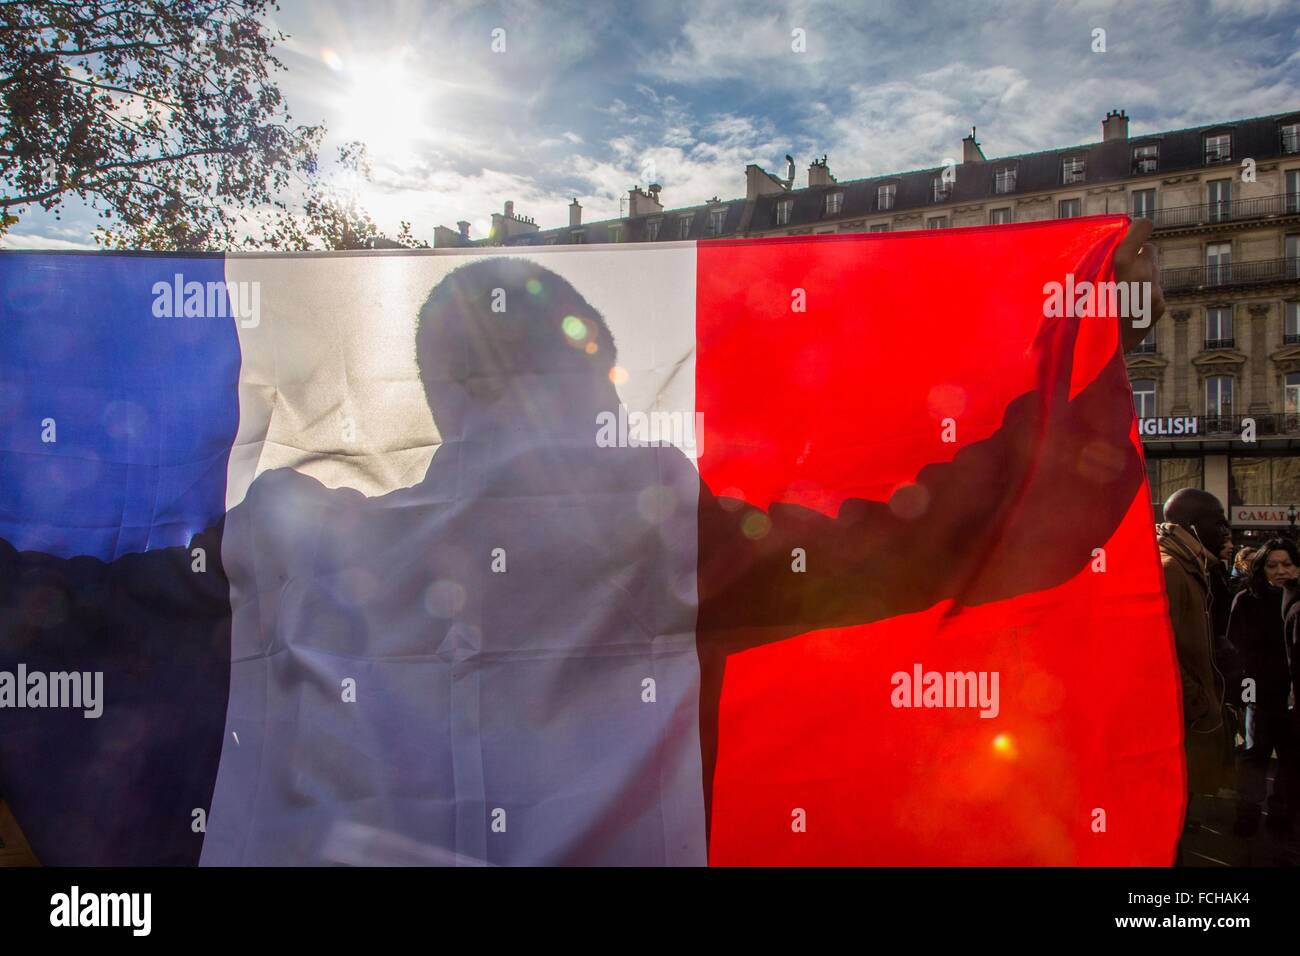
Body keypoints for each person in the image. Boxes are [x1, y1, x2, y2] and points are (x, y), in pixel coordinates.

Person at [0, 222, 1166, 865]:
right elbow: (953, 535)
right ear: (596, 359)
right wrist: (1078, 371)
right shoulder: (658, 530)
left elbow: (64, 607)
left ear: (443, 391)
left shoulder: (292, 537)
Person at [1157, 487, 1234, 857]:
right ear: (1192, 524)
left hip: (1186, 716)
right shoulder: (1171, 569)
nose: (1226, 532)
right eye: (1218, 523)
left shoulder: (1188, 565)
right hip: (1180, 719)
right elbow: (1159, 655)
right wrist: (1198, 701)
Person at [1229, 538, 1299, 835]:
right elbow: (1235, 649)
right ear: (1261, 568)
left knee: (1291, 756)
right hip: (1258, 691)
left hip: (1292, 692)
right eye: (1273, 565)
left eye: (1287, 564)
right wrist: (1245, 694)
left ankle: (1281, 812)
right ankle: (1248, 812)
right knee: (1255, 752)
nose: (1281, 571)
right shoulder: (1247, 599)